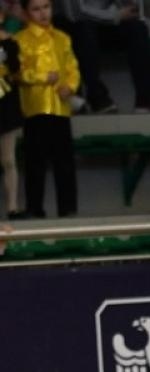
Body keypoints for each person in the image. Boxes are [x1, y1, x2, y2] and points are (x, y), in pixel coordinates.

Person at [14, 0, 77, 219]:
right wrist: (42, 77)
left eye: (46, 7)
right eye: (36, 9)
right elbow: (17, 73)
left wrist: (71, 86)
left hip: (60, 107)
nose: (43, 13)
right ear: (26, 13)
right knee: (35, 161)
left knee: (64, 160)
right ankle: (34, 207)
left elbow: (72, 67)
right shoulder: (20, 40)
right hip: (36, 108)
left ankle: (68, 208)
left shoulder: (62, 38)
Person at [51, 0, 150, 114]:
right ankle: (97, 96)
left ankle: (145, 97)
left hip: (102, 25)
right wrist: (115, 16)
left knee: (138, 28)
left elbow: (128, 8)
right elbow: (75, 13)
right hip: (73, 27)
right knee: (84, 29)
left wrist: (127, 8)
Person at [0, 12, 24, 219]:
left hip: (5, 105)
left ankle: (13, 207)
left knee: (8, 159)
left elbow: (17, 72)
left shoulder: (11, 44)